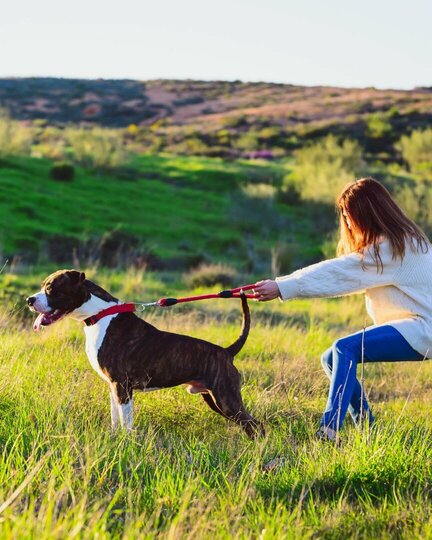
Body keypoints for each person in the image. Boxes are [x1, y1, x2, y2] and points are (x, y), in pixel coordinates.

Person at [254, 177, 432, 442]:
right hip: (416, 325)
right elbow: (346, 274)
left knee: (344, 347)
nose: (347, 224)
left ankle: (329, 429)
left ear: (367, 214)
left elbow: (338, 272)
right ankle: (368, 431)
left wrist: (282, 286)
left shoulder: (392, 249)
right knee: (330, 358)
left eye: (349, 217)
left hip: (423, 329)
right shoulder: (403, 241)